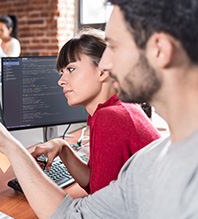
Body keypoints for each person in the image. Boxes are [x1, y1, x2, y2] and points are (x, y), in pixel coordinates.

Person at [0, 0, 198, 219]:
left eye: (114, 46)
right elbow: (88, 205)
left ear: (160, 49)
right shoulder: (154, 157)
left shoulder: (115, 119)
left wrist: (10, 146)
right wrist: (62, 147)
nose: (105, 64)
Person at [30, 29, 160, 194]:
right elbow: (94, 184)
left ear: (103, 71)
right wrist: (63, 148)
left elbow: (99, 206)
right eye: (62, 73)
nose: (61, 81)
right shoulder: (120, 107)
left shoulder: (110, 118)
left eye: (70, 69)